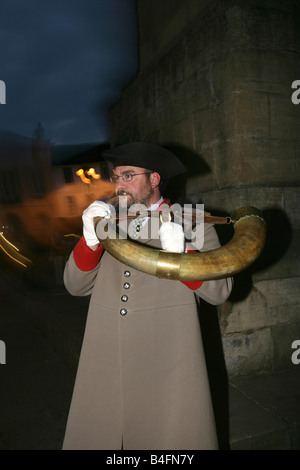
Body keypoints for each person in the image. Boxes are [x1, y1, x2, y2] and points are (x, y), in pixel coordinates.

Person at [62, 142, 233, 450]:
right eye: (116, 177)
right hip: (107, 359)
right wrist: (89, 241)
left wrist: (184, 253)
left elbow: (220, 291)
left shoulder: (193, 221)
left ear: (154, 180)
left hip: (168, 360)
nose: (118, 185)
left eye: (128, 175)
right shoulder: (107, 221)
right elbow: (75, 286)